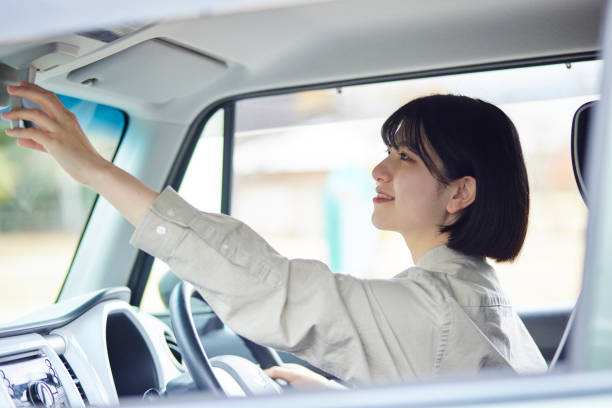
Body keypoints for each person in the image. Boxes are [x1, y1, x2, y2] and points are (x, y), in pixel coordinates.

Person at [1, 83, 547, 388]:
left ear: (460, 194)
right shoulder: (472, 292)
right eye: (388, 152)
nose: (379, 171)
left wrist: (96, 170)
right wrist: (336, 395)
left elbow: (271, 288)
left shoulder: (437, 313)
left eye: (405, 158)